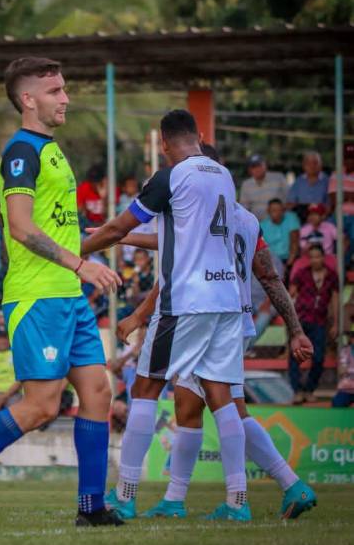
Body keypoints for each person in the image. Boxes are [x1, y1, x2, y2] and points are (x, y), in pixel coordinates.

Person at [0, 56, 121, 529]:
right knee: (42, 406)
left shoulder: (51, 150)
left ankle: (91, 507)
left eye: (65, 89)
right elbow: (21, 226)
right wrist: (80, 263)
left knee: (97, 391)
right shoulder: (21, 151)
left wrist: (112, 236)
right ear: (28, 100)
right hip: (38, 297)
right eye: (55, 91)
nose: (65, 98)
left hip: (67, 294)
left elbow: (60, 228)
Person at [82, 110, 255, 522]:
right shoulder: (223, 176)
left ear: (163, 143)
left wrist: (75, 253)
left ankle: (125, 495)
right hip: (227, 299)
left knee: (145, 389)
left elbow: (116, 229)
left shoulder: (169, 177)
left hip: (186, 301)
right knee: (222, 398)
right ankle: (237, 503)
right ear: (198, 135)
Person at [134, 196, 316, 521]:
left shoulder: (200, 211)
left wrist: (121, 235)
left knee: (229, 408)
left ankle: (256, 494)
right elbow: (269, 277)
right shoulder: (248, 220)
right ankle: (175, 499)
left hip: (210, 319)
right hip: (237, 321)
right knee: (188, 406)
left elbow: (176, 269)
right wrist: (295, 329)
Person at [289, 244, 339, 403]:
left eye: (318, 256)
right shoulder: (301, 274)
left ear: (323, 257)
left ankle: (310, 389)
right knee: (295, 356)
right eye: (312, 257)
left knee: (318, 358)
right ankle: (297, 391)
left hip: (319, 321)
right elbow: (291, 295)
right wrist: (290, 320)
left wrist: (336, 323)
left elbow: (336, 299)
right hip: (300, 321)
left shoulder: (331, 275)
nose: (315, 260)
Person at [327, 143, 354, 265]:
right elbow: (334, 198)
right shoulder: (336, 174)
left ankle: (343, 264)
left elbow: (339, 195)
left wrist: (343, 194)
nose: (350, 161)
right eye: (347, 158)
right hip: (338, 215)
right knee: (326, 234)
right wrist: (350, 195)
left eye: (352, 158)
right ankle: (333, 264)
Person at [239, 154, 287, 221]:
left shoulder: (279, 178)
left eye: (259, 165)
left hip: (278, 221)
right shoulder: (246, 184)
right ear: (249, 170)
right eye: (253, 167)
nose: (257, 169)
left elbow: (288, 201)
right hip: (256, 223)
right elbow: (244, 208)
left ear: (265, 166)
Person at [260, 198, 300, 276]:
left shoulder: (291, 218)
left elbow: (294, 241)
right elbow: (262, 250)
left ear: (283, 210)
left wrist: (288, 263)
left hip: (289, 259)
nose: (277, 213)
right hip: (272, 262)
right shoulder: (262, 226)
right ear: (268, 211)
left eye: (279, 210)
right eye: (273, 210)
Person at [286, 151, 329, 223]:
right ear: (303, 165)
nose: (312, 166)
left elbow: (330, 205)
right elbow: (290, 203)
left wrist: (321, 217)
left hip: (322, 218)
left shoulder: (327, 181)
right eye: (308, 163)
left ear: (321, 164)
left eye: (315, 163)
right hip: (301, 217)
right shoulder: (298, 181)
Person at [332, 325, 354, 408]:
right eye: (352, 336)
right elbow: (341, 371)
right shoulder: (345, 351)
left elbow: (345, 370)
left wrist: (348, 370)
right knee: (337, 403)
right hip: (346, 388)